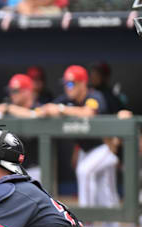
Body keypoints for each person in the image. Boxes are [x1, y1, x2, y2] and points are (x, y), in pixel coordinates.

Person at [37, 65, 117, 207]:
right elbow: (42, 110)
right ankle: (100, 221)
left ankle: (89, 218)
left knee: (88, 174)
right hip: (86, 149)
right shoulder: (66, 99)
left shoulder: (94, 96)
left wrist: (61, 110)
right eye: (66, 84)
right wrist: (48, 110)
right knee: (101, 186)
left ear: (83, 83)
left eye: (71, 83)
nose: (68, 87)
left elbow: (89, 112)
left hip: (106, 147)